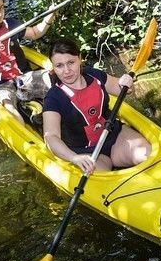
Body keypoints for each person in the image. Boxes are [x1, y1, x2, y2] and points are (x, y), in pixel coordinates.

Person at [42, 38, 151, 174]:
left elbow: (124, 90)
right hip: (85, 153)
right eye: (59, 66)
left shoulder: (94, 75)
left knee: (148, 154)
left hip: (114, 136)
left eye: (71, 62)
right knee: (108, 185)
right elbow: (51, 137)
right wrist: (74, 158)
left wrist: (127, 84)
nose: (66, 71)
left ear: (80, 59)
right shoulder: (53, 98)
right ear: (53, 67)